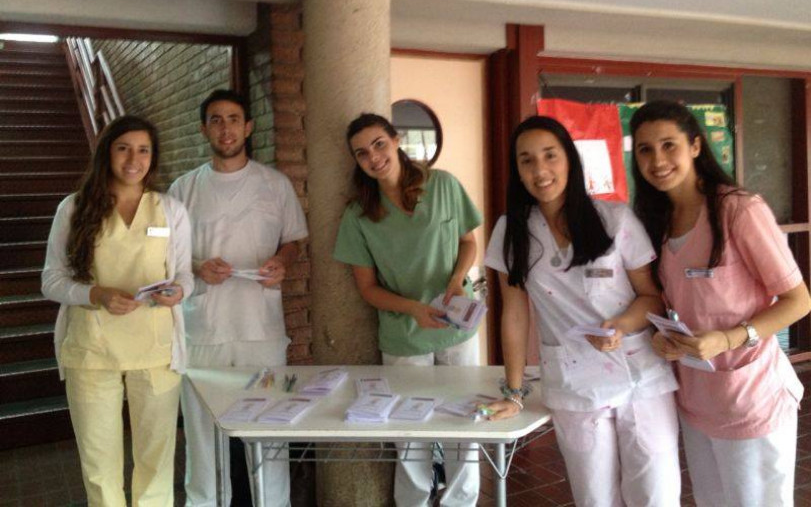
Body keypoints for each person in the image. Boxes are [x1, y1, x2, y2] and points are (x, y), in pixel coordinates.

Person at [484, 116, 681, 507]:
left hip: (640, 375)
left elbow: (651, 297)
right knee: (594, 498)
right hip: (575, 382)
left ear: (569, 160)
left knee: (655, 495)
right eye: (527, 160)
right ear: (517, 171)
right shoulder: (512, 231)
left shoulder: (615, 219)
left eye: (550, 155)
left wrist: (621, 325)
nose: (540, 170)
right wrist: (514, 392)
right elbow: (514, 315)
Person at [630, 99, 810, 506]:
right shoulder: (655, 220)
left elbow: (798, 300)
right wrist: (662, 337)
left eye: (669, 145)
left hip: (751, 398)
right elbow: (673, 301)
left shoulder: (738, 211)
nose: (657, 160)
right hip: (696, 399)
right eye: (645, 149)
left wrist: (729, 339)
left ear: (695, 146)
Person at [41, 116, 192, 507]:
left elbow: (184, 275)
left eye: (143, 150)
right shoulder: (74, 209)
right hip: (92, 351)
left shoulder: (170, 210)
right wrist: (95, 294)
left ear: (153, 157)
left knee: (156, 461)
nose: (133, 159)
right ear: (107, 152)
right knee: (99, 465)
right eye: (123, 148)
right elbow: (51, 281)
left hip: (156, 352)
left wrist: (178, 291)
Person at [333, 113, 482, 507]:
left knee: (466, 420)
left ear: (396, 140)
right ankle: (414, 501)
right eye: (362, 153)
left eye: (379, 144)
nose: (373, 157)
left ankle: (461, 501)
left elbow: (468, 242)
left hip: (456, 323)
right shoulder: (359, 214)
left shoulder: (443, 185)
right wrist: (413, 309)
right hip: (404, 333)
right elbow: (367, 289)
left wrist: (457, 280)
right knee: (409, 429)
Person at [169, 89, 308, 507]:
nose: (225, 128)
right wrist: (197, 267)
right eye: (215, 120)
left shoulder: (275, 184)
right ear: (204, 129)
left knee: (270, 431)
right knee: (202, 436)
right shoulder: (183, 189)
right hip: (203, 331)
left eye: (233, 119)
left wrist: (282, 262)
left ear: (248, 127)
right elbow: (167, 255)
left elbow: (293, 241)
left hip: (260, 331)